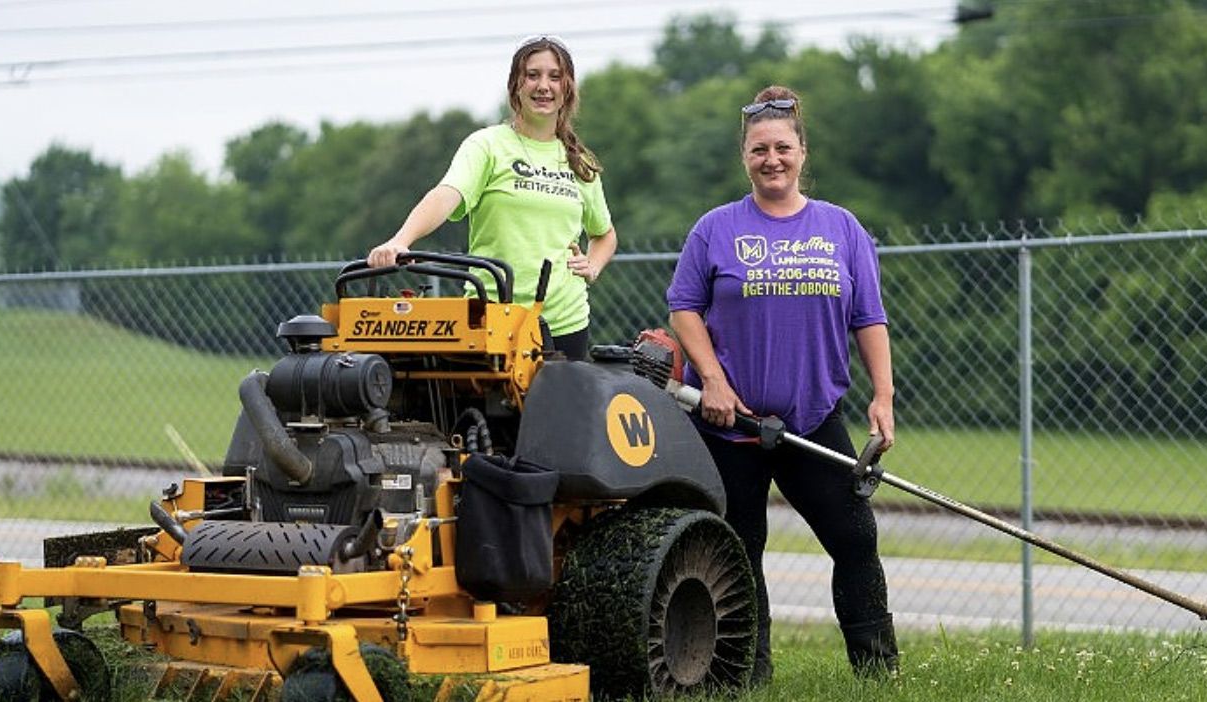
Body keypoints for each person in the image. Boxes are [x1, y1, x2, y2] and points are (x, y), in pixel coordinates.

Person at [665, 85, 899, 684]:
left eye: (783, 148)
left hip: (812, 420)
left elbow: (868, 317)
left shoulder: (841, 228)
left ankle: (878, 674)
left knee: (854, 538)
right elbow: (684, 309)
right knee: (739, 554)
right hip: (729, 426)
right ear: (744, 156)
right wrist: (711, 380)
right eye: (759, 149)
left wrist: (883, 396)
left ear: (802, 152)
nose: (772, 159)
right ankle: (748, 676)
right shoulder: (715, 228)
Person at [368, 35, 617, 361]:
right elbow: (447, 194)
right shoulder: (487, 145)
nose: (544, 85)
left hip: (564, 323)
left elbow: (604, 233)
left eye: (554, 76)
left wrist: (593, 265)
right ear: (516, 84)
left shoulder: (579, 161)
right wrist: (401, 240)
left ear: (567, 88)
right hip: (491, 316)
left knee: (559, 413)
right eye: (533, 75)